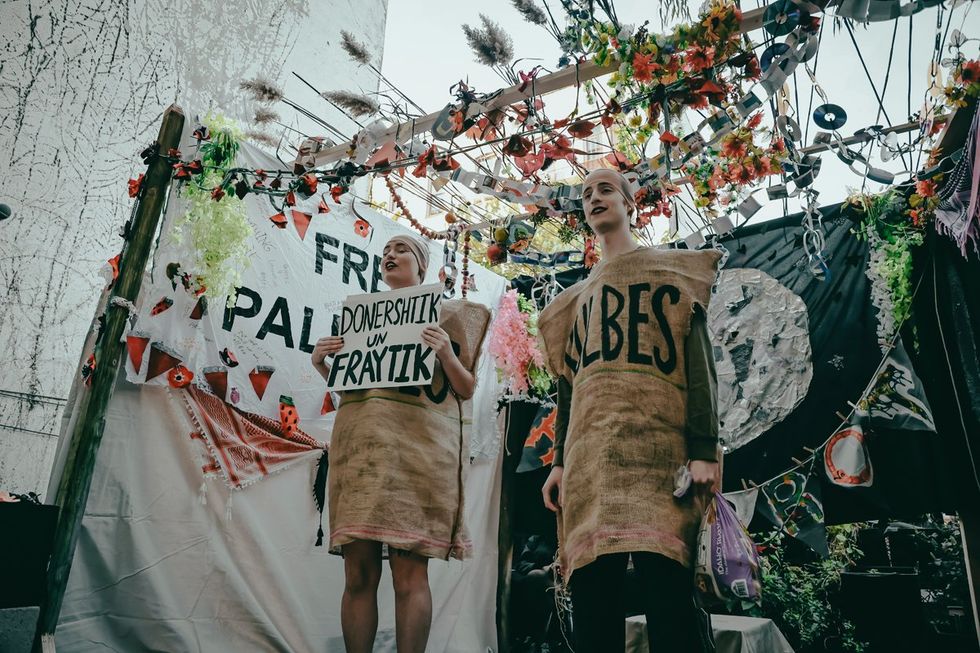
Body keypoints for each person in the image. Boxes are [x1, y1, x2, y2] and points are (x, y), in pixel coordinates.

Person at [538, 168, 721, 652]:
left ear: (630, 204)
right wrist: (558, 462)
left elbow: (699, 363)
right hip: (589, 466)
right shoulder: (573, 302)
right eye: (585, 194)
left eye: (604, 190)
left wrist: (705, 448)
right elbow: (567, 389)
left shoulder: (671, 271)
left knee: (670, 601)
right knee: (595, 602)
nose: (593, 198)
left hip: (659, 460)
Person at [311, 234, 490, 653]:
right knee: (357, 575)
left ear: (422, 265)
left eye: (401, 249)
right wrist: (323, 366)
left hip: (415, 459)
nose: (389, 256)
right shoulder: (361, 320)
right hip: (362, 456)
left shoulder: (447, 315)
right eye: (384, 252)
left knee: (410, 575)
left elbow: (465, 389)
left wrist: (446, 352)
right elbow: (355, 394)